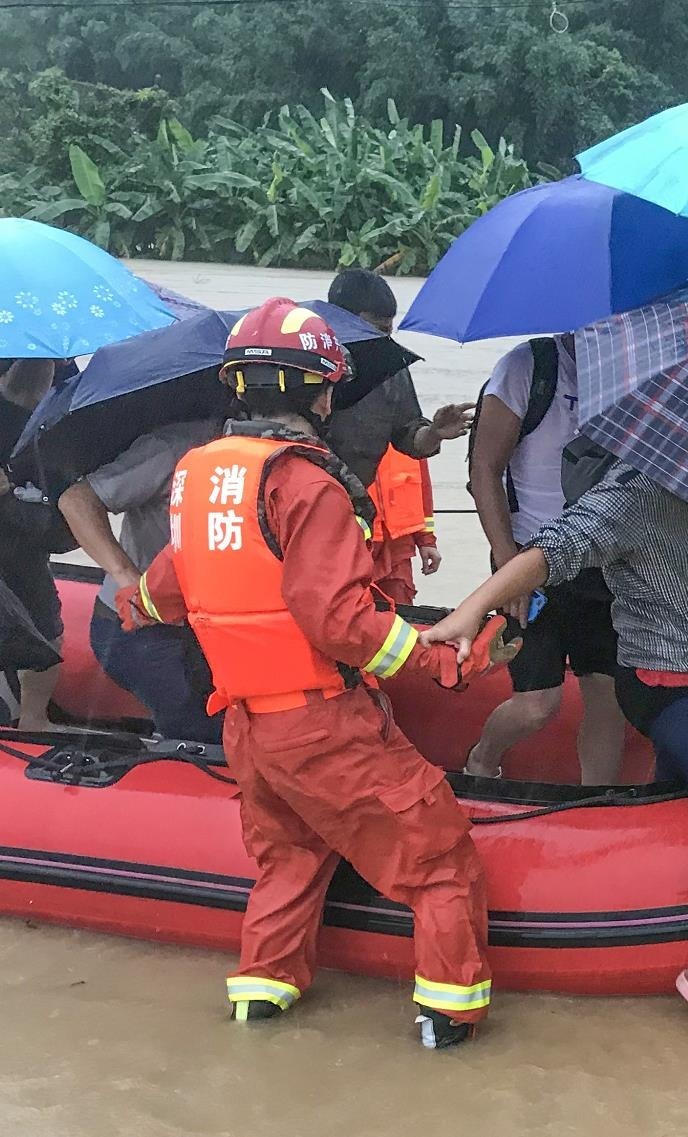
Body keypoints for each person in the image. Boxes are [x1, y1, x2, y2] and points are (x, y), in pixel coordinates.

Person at [114, 299, 498, 1049]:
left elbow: (162, 593)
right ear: (320, 393)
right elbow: (339, 620)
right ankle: (450, 1014)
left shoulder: (198, 477)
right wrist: (437, 659)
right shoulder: (306, 484)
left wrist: (129, 603)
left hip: (248, 730)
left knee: (286, 858)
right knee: (438, 853)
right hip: (322, 723)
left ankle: (261, 996)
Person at [425, 453, 688, 1034]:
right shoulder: (635, 494)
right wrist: (472, 609)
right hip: (665, 684)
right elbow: (552, 550)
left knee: (675, 798)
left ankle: (662, 911)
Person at [465, 334, 626, 784]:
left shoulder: (632, 365)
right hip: (529, 557)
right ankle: (482, 756)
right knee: (538, 704)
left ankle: (595, 806)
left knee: (608, 697)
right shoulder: (528, 367)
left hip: (604, 558)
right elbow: (485, 468)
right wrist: (507, 565)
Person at [57, 418, 224, 742]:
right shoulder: (174, 447)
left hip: (210, 626)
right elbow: (76, 500)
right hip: (145, 628)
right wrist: (127, 577)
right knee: (206, 732)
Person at [0, 357, 63, 729]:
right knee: (42, 618)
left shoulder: (28, 414)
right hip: (19, 538)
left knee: (43, 618)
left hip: (22, 537)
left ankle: (34, 717)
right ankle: (33, 718)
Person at [367, 447, 438, 605]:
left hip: (398, 545)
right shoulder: (335, 428)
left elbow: (422, 488)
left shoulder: (410, 432)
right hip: (353, 546)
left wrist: (426, 540)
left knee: (401, 611)